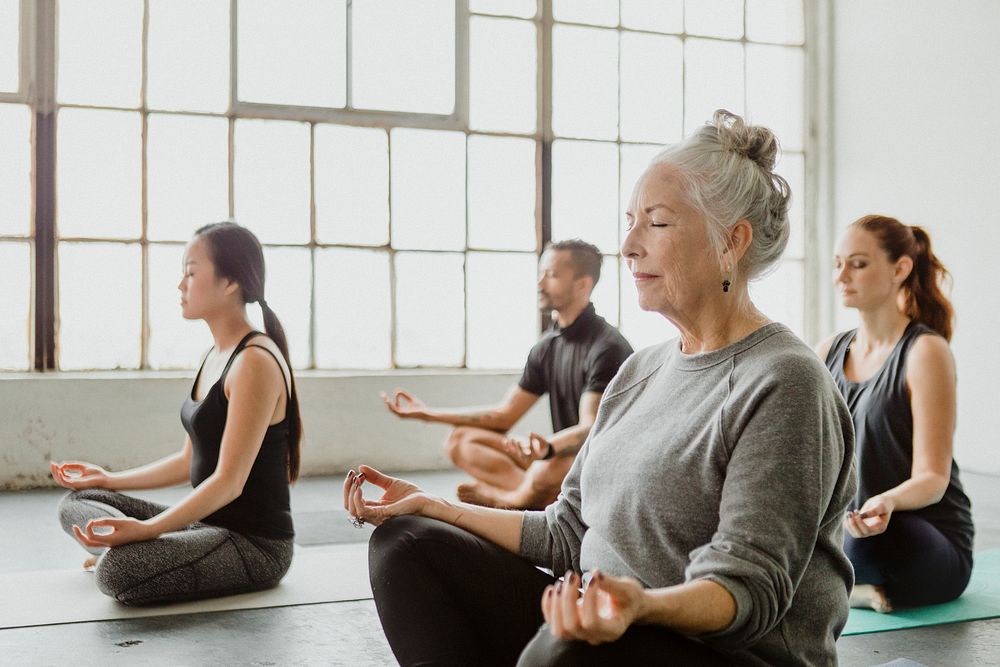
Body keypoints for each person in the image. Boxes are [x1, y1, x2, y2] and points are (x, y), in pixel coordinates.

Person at [346, 110, 857, 666]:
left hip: (727, 654)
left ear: (731, 242)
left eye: (656, 223)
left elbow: (748, 590)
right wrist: (438, 508)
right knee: (408, 545)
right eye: (630, 221)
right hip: (611, 629)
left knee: (568, 647)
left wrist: (637, 607)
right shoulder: (638, 373)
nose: (629, 245)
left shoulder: (785, 382)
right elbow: (565, 533)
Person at [51, 221, 301, 606]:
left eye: (190, 273)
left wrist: (148, 530)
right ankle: (151, 552)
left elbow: (229, 483)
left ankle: (137, 555)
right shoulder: (214, 356)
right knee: (78, 501)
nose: (180, 285)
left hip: (253, 545)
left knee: (117, 572)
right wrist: (110, 479)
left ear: (230, 282)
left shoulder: (255, 362)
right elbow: (188, 461)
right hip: (206, 525)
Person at [381, 239, 633, 510]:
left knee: (548, 469)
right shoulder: (547, 346)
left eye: (551, 275)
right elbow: (504, 416)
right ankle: (539, 499)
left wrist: (547, 447)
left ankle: (509, 501)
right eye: (540, 274)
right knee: (460, 440)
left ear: (582, 284)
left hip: (595, 462)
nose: (540, 284)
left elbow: (591, 430)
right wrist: (427, 414)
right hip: (555, 456)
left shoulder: (607, 347)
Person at [817, 215, 974, 613]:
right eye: (838, 264)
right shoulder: (827, 352)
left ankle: (844, 587)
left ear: (900, 269)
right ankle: (854, 589)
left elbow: (933, 478)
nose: (842, 276)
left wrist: (886, 503)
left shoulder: (925, 352)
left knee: (877, 542)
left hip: (919, 533)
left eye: (858, 263)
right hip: (854, 527)